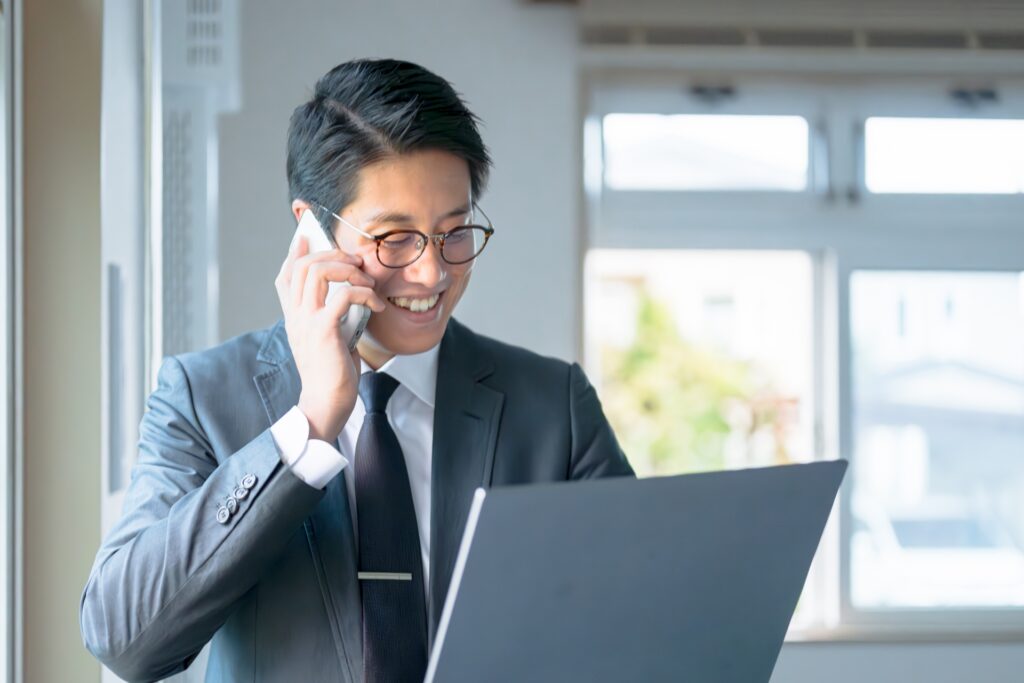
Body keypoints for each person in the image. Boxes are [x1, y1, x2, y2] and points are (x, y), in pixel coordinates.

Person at [80, 58, 633, 683]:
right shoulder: (202, 396)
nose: (432, 274)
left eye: (454, 232)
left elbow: (640, 624)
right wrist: (311, 425)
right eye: (394, 238)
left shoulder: (552, 406)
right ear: (312, 231)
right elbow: (124, 640)